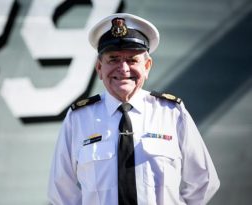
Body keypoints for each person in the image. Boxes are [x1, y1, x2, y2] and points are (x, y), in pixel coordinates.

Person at [47, 13, 220, 205]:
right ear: (99, 68)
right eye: (113, 59)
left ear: (147, 66)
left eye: (132, 60)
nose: (123, 68)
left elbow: (204, 181)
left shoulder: (172, 113)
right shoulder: (78, 118)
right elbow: (60, 190)